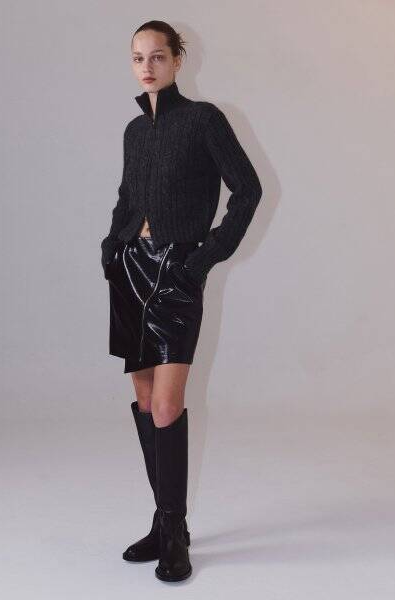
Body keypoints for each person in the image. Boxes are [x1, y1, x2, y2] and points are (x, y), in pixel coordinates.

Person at [100, 20, 263, 582]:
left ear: (177, 60)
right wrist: (112, 245)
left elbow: (248, 190)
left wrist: (204, 257)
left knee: (168, 405)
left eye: (157, 56)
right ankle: (164, 521)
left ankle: (175, 533)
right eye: (137, 58)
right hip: (131, 271)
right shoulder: (133, 132)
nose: (147, 67)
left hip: (176, 272)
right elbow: (127, 197)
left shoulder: (203, 120)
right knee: (146, 402)